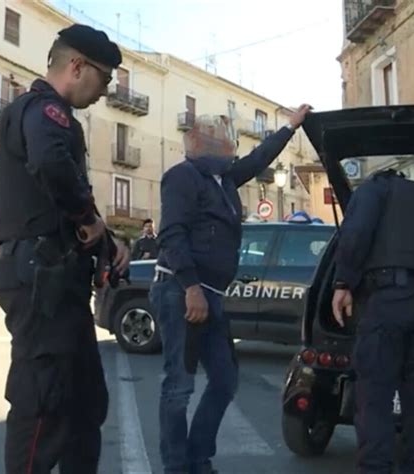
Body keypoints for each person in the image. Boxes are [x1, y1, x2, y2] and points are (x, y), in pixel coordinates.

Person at [0, 24, 129, 474]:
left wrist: (107, 241)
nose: (106, 90)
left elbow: (66, 200)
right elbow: (52, 163)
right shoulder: (44, 110)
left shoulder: (50, 114)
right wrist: (89, 219)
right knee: (43, 403)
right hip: (40, 277)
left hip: (56, 277)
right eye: (105, 79)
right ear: (76, 66)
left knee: (85, 401)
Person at [150, 106, 311, 474]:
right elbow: (172, 233)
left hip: (209, 293)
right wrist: (190, 287)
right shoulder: (183, 177)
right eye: (225, 140)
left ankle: (197, 456)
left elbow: (259, 158)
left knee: (224, 379)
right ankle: (178, 466)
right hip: (182, 292)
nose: (232, 147)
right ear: (207, 144)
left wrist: (290, 128)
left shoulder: (222, 179)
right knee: (179, 386)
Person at [331, 169, 414, 474]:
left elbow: (356, 235)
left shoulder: (374, 190)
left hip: (388, 301)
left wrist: (342, 283)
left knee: (374, 395)